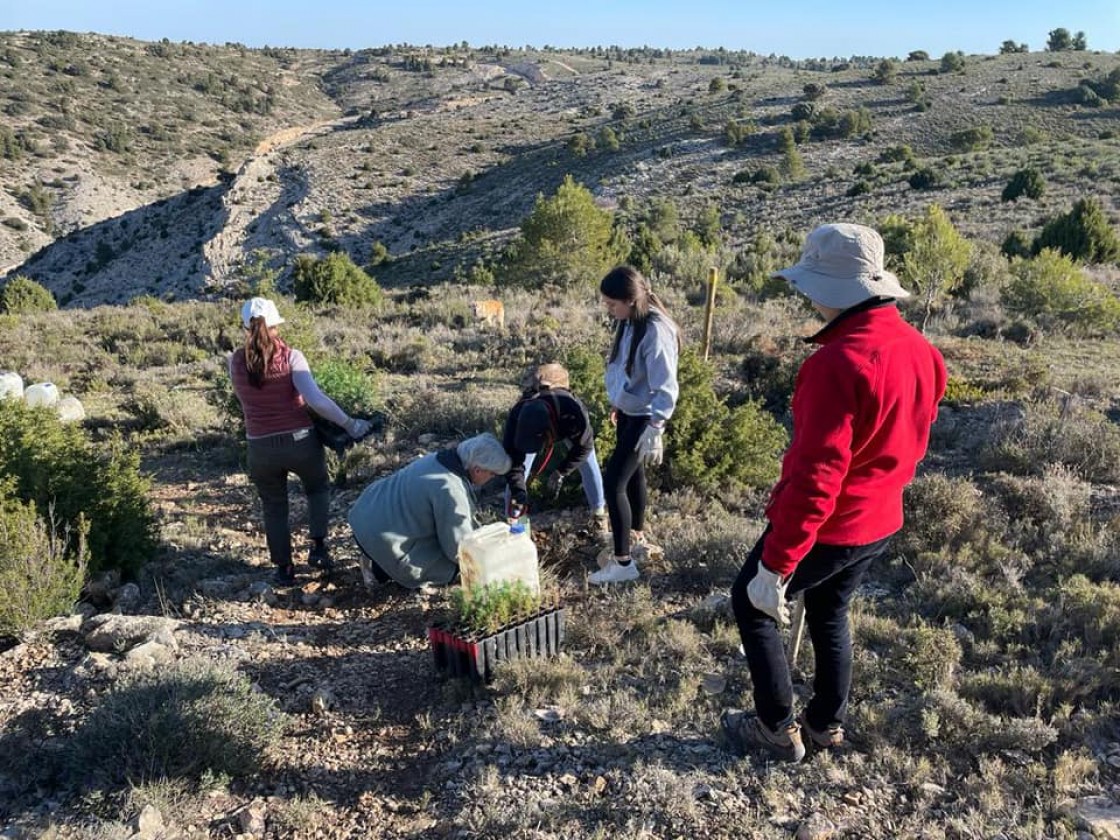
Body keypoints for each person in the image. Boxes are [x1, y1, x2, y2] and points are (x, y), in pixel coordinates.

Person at [722, 223, 947, 762]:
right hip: (882, 518)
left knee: (751, 602)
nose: (805, 294)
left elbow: (817, 478)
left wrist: (775, 565)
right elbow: (917, 434)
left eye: (810, 283)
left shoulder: (836, 364)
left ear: (834, 290)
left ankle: (776, 729)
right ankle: (826, 724)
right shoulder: (921, 350)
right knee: (829, 608)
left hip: (835, 524)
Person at [229, 297, 373, 586]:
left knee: (273, 506)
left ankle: (283, 569)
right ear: (276, 325)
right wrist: (350, 424)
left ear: (246, 327)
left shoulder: (234, 361)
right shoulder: (291, 356)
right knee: (318, 489)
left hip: (259, 446)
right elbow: (316, 401)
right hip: (300, 441)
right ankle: (319, 548)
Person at [590, 265, 680, 585]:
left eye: (612, 304)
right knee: (632, 476)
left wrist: (656, 425)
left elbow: (665, 382)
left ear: (630, 300)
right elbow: (630, 370)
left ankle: (623, 562)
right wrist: (620, 401)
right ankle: (637, 536)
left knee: (613, 482)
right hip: (631, 412)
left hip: (645, 417)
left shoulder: (655, 329)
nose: (609, 309)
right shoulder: (631, 321)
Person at [348, 433, 511, 590]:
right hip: (383, 539)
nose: (492, 478)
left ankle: (373, 557)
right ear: (477, 470)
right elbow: (458, 548)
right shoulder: (450, 489)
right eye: (492, 474)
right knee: (454, 568)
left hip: (363, 515)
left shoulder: (437, 459)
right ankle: (380, 570)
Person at [503, 362, 608, 537]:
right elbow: (513, 465)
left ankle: (599, 516)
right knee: (519, 475)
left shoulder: (573, 412)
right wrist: (519, 493)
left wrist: (561, 472)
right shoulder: (518, 415)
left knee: (589, 463)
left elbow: (584, 448)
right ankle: (515, 526)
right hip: (532, 428)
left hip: (562, 421)